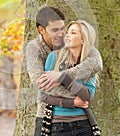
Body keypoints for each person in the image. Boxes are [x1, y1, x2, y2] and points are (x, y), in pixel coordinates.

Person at [25, 7, 102, 136]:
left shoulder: (69, 41)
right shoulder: (34, 48)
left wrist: (61, 76)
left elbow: (96, 63)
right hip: (47, 114)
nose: (61, 33)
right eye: (55, 30)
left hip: (79, 119)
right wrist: (75, 100)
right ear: (41, 30)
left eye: (62, 28)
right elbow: (41, 84)